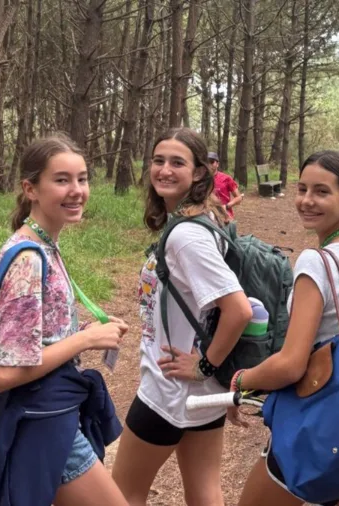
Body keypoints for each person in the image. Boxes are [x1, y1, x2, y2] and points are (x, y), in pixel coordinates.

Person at [231, 150, 339, 506]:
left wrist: (242, 380)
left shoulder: (315, 262)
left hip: (318, 429)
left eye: (321, 191)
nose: (305, 200)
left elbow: (291, 364)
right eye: (301, 189)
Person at [0, 133, 130, 506]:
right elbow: (3, 375)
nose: (77, 190)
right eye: (61, 180)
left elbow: (39, 338)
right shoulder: (28, 259)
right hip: (42, 422)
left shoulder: (45, 245)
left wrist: (83, 330)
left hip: (55, 415)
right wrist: (85, 341)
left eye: (82, 179)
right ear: (30, 188)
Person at [111, 128, 253, 506]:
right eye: (158, 160)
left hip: (169, 388)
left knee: (123, 493)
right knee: (205, 491)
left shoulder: (186, 236)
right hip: (203, 395)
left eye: (178, 162)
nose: (165, 170)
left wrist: (205, 366)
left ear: (199, 173)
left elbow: (237, 309)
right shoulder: (204, 219)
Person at [208, 151, 243, 218]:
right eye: (206, 162)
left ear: (217, 164)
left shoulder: (226, 178)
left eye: (212, 162)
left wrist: (226, 206)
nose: (209, 165)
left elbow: (239, 198)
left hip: (224, 215)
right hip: (207, 216)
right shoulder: (201, 179)